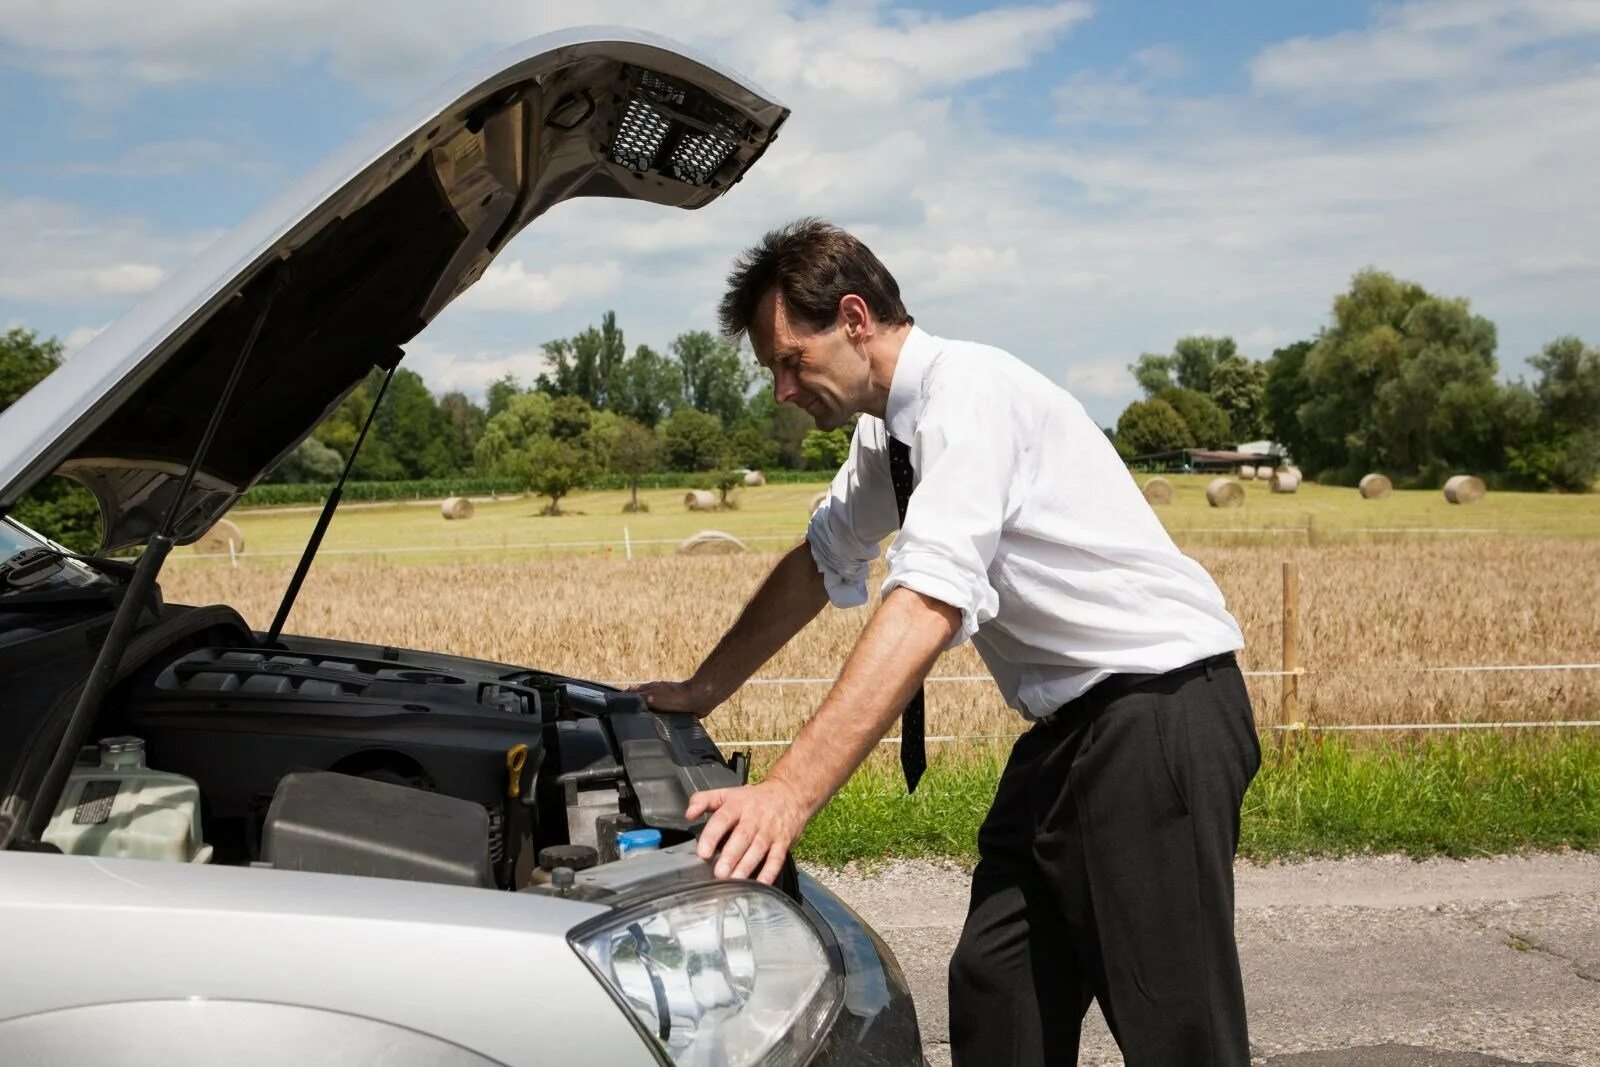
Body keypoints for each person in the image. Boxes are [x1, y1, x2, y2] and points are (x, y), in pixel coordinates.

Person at [630, 218, 1259, 1065]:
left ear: (854, 318)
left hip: (1159, 715)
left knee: (1178, 1026)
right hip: (1070, 734)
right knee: (999, 985)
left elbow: (926, 599)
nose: (781, 389)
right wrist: (705, 689)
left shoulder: (968, 397)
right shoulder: (886, 432)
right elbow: (822, 560)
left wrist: (786, 794)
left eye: (789, 360)